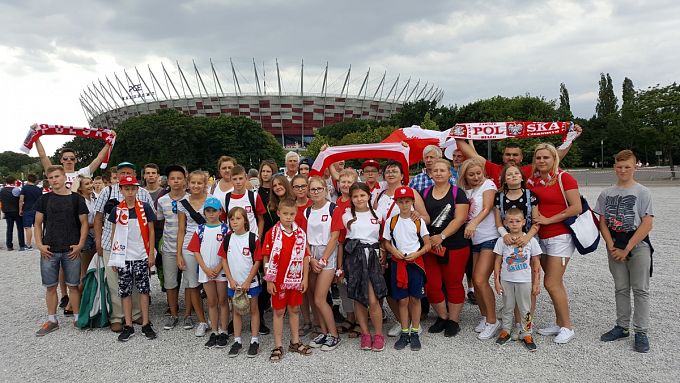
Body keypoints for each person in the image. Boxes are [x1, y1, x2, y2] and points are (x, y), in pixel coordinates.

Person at [594, 150, 654, 353]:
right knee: (620, 287)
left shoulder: (642, 192)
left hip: (637, 244)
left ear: (635, 166)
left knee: (640, 289)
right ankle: (622, 326)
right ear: (614, 168)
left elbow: (647, 223)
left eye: (627, 166)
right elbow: (602, 222)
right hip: (614, 243)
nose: (623, 170)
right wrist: (611, 245)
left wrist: (627, 248)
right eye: (619, 167)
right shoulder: (606, 193)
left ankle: (641, 331)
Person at [527, 143, 582, 344]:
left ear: (554, 159)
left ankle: (568, 326)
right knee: (553, 281)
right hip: (541, 237)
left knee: (551, 282)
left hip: (560, 235)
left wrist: (549, 219)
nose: (541, 161)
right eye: (538, 157)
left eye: (546, 158)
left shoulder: (564, 177)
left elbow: (575, 207)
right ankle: (560, 322)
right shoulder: (534, 181)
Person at [372, 160, 430, 338]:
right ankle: (400, 321)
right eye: (387, 171)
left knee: (411, 290)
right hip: (385, 245)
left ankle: (414, 323)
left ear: (402, 175)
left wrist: (416, 215)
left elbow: (426, 218)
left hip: (407, 248)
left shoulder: (411, 193)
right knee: (390, 287)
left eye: (394, 171)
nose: (390, 174)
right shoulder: (380, 195)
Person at [94, 161, 154, 333]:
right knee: (116, 284)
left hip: (138, 248)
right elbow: (98, 217)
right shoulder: (108, 191)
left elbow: (150, 224)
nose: (125, 175)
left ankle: (136, 315)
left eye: (128, 172)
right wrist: (98, 242)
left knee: (138, 285)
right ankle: (118, 317)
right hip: (112, 245)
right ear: (118, 175)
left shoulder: (142, 194)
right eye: (122, 172)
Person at [33, 165, 88, 336]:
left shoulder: (76, 199)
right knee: (50, 286)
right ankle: (52, 320)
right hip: (49, 249)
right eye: (51, 178)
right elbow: (37, 223)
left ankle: (78, 318)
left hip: (71, 249)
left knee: (73, 285)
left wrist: (80, 244)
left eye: (57, 176)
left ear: (65, 178)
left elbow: (85, 223)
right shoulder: (44, 199)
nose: (54, 180)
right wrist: (39, 245)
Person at [332, 182, 387, 352]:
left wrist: (383, 253)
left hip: (372, 258)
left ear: (369, 196)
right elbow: (341, 242)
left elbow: (383, 238)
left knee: (372, 298)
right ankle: (364, 333)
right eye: (355, 196)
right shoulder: (346, 215)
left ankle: (378, 334)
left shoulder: (378, 214)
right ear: (351, 198)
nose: (359, 199)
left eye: (362, 195)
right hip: (354, 258)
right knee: (358, 297)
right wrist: (340, 267)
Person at [422, 159, 470, 337]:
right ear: (431, 173)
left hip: (454, 244)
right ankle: (442, 316)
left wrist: (441, 236)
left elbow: (460, 219)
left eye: (443, 170)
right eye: (435, 170)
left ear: (450, 173)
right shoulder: (425, 193)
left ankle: (454, 321)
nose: (439, 173)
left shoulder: (458, 193)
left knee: (453, 283)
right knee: (432, 284)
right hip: (430, 246)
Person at [494, 163, 541, 340]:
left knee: (526, 298)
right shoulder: (499, 198)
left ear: (522, 177)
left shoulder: (531, 196)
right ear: (504, 179)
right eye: (509, 174)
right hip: (507, 240)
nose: (512, 176)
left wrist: (527, 237)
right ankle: (508, 328)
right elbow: (498, 222)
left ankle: (526, 328)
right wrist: (504, 235)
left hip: (527, 238)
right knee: (508, 302)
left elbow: (536, 221)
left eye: (516, 173)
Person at [107, 175, 157, 342]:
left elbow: (151, 231)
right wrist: (114, 257)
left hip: (142, 255)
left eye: (132, 188)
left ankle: (145, 322)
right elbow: (114, 234)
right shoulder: (117, 210)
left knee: (144, 290)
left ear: (137, 189)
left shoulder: (145, 208)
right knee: (125, 291)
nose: (129, 192)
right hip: (124, 257)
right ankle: (128, 324)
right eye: (126, 188)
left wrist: (151, 254)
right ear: (121, 190)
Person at [382, 186, 431, 351]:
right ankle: (404, 331)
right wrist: (394, 251)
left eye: (407, 201)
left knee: (415, 298)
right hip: (398, 262)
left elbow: (428, 243)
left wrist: (417, 254)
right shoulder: (392, 221)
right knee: (402, 300)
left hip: (415, 263)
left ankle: (415, 332)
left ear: (412, 202)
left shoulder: (418, 220)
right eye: (401, 202)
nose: (404, 205)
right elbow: (386, 242)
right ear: (396, 203)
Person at [262, 198, 311, 361]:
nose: (288, 217)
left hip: (296, 279)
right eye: (285, 214)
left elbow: (305, 256)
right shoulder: (272, 233)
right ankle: (277, 345)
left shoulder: (300, 234)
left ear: (296, 214)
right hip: (278, 280)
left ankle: (295, 341)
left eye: (292, 214)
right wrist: (269, 280)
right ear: (278, 214)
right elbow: (266, 258)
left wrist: (304, 278)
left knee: (295, 310)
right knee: (278, 311)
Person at [455, 126, 581, 189]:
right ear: (503, 156)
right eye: (508, 154)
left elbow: (555, 156)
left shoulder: (529, 170)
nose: (511, 158)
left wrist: (571, 136)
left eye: (515, 155)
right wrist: (458, 135)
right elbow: (472, 154)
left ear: (521, 158)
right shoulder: (493, 168)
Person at [458, 158, 501, 340]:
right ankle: (485, 316)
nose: (476, 177)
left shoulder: (488, 184)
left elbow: (487, 207)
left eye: (478, 173)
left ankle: (493, 321)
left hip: (489, 238)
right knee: (476, 282)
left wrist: (473, 223)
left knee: (480, 279)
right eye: (471, 174)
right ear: (465, 176)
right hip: (475, 241)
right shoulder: (469, 190)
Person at [493, 208, 542, 351]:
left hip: (524, 280)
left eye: (517, 221)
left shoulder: (531, 241)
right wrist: (496, 280)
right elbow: (497, 261)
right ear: (505, 223)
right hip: (507, 280)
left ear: (523, 222)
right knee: (507, 307)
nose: (514, 224)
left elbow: (536, 263)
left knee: (525, 308)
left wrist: (536, 282)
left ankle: (527, 333)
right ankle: (506, 331)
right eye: (511, 221)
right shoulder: (501, 241)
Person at [303, 176, 341, 351]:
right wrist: (310, 258)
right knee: (314, 296)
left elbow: (335, 237)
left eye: (319, 189)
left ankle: (334, 335)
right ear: (309, 192)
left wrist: (323, 259)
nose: (316, 192)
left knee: (319, 298)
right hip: (312, 254)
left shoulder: (333, 208)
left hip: (328, 254)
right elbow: (305, 239)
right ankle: (324, 332)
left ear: (326, 190)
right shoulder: (307, 212)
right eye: (313, 189)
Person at [186, 196, 230, 349]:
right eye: (208, 211)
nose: (211, 214)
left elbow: (227, 250)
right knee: (211, 302)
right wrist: (204, 267)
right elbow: (195, 250)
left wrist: (219, 267)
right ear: (204, 212)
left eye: (214, 211)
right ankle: (214, 331)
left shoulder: (225, 229)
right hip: (206, 270)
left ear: (220, 212)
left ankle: (224, 330)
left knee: (223, 300)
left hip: (221, 270)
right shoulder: (200, 229)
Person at [220, 207, 263, 357]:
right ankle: (237, 341)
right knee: (236, 311)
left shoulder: (253, 238)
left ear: (245, 220)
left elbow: (258, 260)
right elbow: (224, 259)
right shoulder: (227, 238)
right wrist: (230, 280)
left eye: (238, 218)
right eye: (232, 219)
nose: (235, 221)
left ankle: (254, 340)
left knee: (253, 310)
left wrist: (248, 281)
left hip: (250, 283)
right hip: (234, 284)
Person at [177, 170, 210, 337]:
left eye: (199, 183)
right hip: (189, 246)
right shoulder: (183, 203)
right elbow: (181, 230)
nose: (196, 186)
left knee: (212, 282)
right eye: (193, 183)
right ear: (188, 184)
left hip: (209, 244)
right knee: (193, 284)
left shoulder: (212, 200)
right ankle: (202, 320)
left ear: (205, 184)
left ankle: (216, 317)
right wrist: (178, 254)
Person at [156, 165, 188, 330]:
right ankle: (173, 314)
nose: (176, 181)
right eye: (173, 178)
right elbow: (160, 221)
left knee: (190, 283)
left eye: (179, 178)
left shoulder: (190, 198)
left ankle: (188, 315)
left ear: (184, 180)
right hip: (169, 246)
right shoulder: (162, 201)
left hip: (188, 247)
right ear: (168, 181)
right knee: (170, 282)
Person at [35, 136, 115, 189]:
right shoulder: (56, 174)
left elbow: (99, 158)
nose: (69, 160)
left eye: (72, 158)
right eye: (65, 158)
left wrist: (109, 142)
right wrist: (36, 137)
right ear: (61, 160)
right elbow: (43, 157)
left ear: (76, 160)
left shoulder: (83, 173)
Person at [224, 165, 266, 237]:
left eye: (240, 178)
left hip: (251, 240)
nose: (238, 182)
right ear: (231, 180)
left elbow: (261, 220)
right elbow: (224, 219)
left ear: (246, 178)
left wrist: (258, 237)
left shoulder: (253, 196)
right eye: (235, 179)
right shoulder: (226, 197)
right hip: (234, 240)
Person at [75, 176, 97, 287]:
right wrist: (97, 223)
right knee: (84, 270)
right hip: (85, 236)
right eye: (87, 184)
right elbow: (79, 223)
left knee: (93, 268)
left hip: (94, 234)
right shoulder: (79, 201)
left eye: (91, 182)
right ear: (80, 188)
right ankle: (77, 300)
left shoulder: (94, 198)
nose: (90, 185)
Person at [1, 177, 26, 251]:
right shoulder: (16, 190)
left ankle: (9, 245)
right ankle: (21, 244)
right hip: (16, 211)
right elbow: (20, 200)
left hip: (7, 211)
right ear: (14, 181)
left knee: (9, 228)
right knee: (20, 228)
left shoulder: (2, 190)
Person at [19, 174, 42, 249]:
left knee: (28, 227)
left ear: (28, 179)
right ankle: (40, 243)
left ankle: (28, 245)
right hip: (37, 210)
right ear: (35, 180)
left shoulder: (24, 188)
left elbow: (21, 199)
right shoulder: (38, 189)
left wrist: (20, 209)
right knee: (37, 227)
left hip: (27, 209)